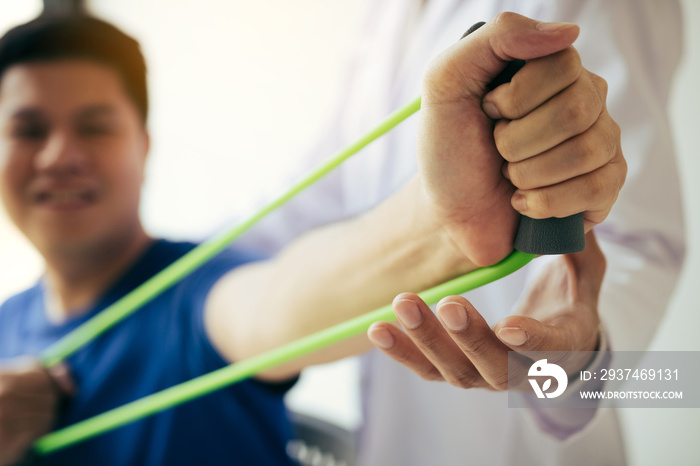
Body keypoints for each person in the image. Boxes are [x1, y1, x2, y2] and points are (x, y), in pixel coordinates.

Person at [0, 9, 624, 466]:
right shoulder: (6, 325)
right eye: (27, 129)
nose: (60, 155)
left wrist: (444, 225)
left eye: (95, 126)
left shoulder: (195, 298)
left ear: (143, 145)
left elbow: (279, 301)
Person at [234, 1, 685, 465]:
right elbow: (323, 189)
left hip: (520, 432)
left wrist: (573, 363)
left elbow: (638, 241)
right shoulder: (386, 14)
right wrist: (180, 273)